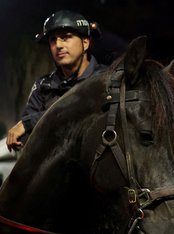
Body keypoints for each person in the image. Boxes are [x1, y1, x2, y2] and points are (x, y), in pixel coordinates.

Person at [6, 10, 106, 152]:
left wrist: (30, 123)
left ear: (85, 43)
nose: (58, 45)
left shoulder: (106, 78)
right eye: (53, 40)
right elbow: (26, 138)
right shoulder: (43, 87)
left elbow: (88, 111)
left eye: (66, 38)